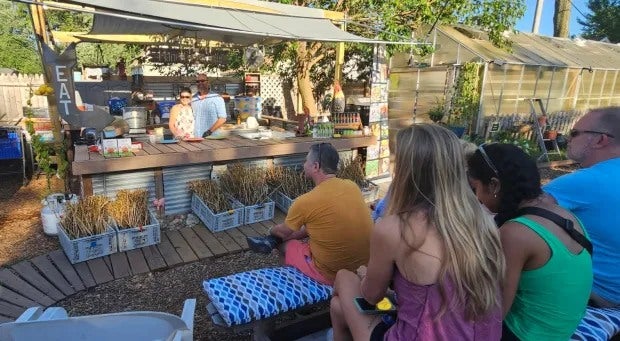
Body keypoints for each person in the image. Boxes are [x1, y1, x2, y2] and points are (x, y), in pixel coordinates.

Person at [330, 124, 505, 341]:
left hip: (416, 335)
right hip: (477, 335)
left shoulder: (394, 228)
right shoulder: (482, 222)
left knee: (344, 278)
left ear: (408, 172)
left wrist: (366, 275)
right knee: (338, 308)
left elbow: (371, 296)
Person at [467, 143, 593, 340]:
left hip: (526, 334)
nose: (477, 198)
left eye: (475, 189)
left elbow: (496, 312)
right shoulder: (564, 215)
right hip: (560, 330)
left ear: (494, 185)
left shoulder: (515, 234)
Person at [246, 142, 373, 285]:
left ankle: (290, 286)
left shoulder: (305, 201)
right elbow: (321, 225)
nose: (304, 163)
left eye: (306, 160)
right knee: (298, 234)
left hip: (332, 274)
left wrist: (271, 231)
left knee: (284, 245)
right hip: (364, 267)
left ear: (316, 167)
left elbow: (282, 232)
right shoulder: (352, 186)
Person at [543, 106, 620, 308]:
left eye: (575, 133)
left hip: (598, 299)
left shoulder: (585, 182)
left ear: (600, 140)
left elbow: (515, 216)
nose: (568, 138)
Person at [192, 74, 227, 138]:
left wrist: (210, 131)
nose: (200, 83)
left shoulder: (217, 98)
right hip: (196, 137)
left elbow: (222, 118)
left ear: (208, 82)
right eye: (197, 81)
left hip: (212, 137)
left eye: (202, 81)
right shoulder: (192, 99)